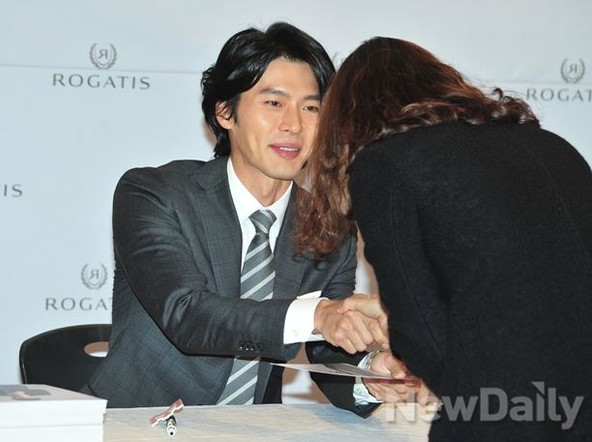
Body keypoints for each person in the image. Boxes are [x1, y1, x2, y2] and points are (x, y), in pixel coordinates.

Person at [81, 22, 396, 415]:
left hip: (250, 427)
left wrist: (368, 376)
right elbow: (187, 315)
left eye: (312, 108)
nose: (294, 125)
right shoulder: (154, 194)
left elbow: (326, 348)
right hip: (138, 423)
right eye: (274, 103)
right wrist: (318, 314)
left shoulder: (329, 224)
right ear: (226, 112)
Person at [296, 36, 592, 440]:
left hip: (504, 417)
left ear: (348, 119)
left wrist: (399, 327)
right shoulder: (552, 145)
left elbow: (426, 340)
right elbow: (521, 289)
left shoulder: (386, 165)